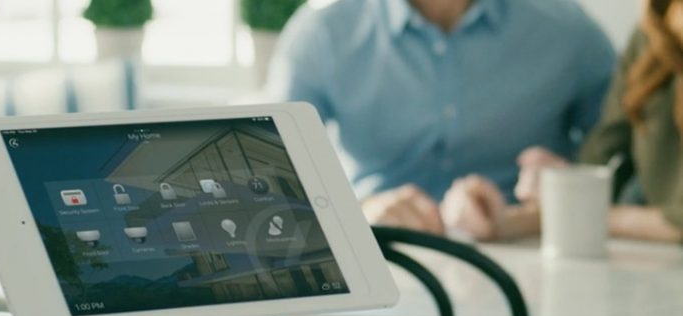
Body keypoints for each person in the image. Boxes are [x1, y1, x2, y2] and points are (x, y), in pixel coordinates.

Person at [267, 0, 615, 234]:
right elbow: (269, 170)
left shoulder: (568, 31)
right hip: (381, 248)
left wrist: (562, 189)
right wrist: (359, 211)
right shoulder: (324, 33)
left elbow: (625, 162)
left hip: (525, 251)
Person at [441, 0, 683, 243]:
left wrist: (569, 206)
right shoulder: (653, 32)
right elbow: (600, 160)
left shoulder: (569, 30)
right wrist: (506, 219)